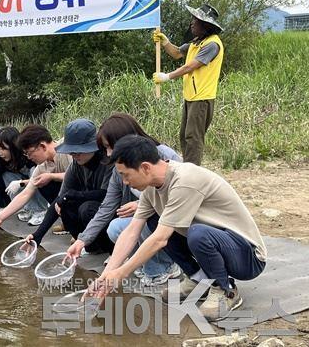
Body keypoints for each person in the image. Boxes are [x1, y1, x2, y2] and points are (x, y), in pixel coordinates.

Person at [86, 135, 266, 321]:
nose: (124, 182)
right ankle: (199, 279)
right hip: (217, 243)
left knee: (195, 234)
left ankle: (225, 290)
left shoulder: (185, 180)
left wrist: (122, 273)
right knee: (156, 222)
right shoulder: (151, 190)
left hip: (247, 256)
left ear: (145, 167)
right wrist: (106, 277)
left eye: (125, 175)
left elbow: (160, 239)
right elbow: (132, 231)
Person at [65, 113, 181, 286]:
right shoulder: (118, 169)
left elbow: (179, 196)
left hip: (173, 221)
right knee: (115, 227)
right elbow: (107, 207)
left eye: (110, 147)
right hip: (145, 217)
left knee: (145, 218)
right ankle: (144, 262)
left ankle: (166, 265)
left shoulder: (164, 156)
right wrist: (83, 240)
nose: (109, 153)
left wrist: (141, 204)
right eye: (106, 148)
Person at [24, 119, 114, 253]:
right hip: (90, 220)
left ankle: (110, 248)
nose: (74, 155)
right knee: (63, 204)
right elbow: (60, 199)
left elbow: (107, 195)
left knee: (86, 208)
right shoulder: (76, 165)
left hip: (109, 211)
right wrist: (38, 235)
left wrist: (75, 195)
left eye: (78, 151)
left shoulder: (107, 162)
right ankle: (90, 246)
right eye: (72, 152)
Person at [153, 3, 224, 166]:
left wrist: (167, 77)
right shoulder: (195, 43)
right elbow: (177, 53)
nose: (192, 23)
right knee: (184, 135)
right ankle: (188, 168)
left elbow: (190, 66)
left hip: (202, 99)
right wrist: (165, 42)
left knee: (193, 137)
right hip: (191, 97)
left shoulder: (212, 44)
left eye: (196, 20)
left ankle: (192, 174)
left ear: (205, 25)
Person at [0, 124, 71, 227]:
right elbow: (25, 194)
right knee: (44, 183)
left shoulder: (67, 150)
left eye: (29, 153)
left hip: (87, 195)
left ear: (43, 146)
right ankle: (68, 221)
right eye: (26, 154)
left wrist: (51, 176)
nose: (29, 157)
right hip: (67, 197)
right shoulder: (42, 167)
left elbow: (78, 176)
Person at [0, 127, 48, 219]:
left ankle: (40, 210)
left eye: (3, 148)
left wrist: (21, 183)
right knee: (5, 175)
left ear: (14, 146)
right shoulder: (1, 158)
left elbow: (41, 177)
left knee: (34, 172)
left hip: (40, 180)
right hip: (26, 180)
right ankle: (28, 208)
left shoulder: (28, 154)